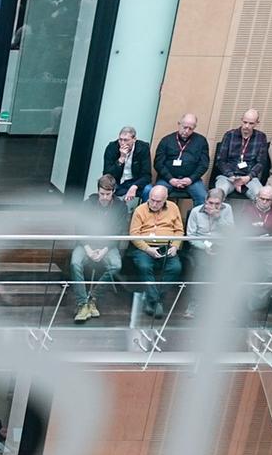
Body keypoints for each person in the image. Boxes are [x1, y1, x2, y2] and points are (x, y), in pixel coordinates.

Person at [68, 174, 126, 323]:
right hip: (86, 244)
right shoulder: (88, 204)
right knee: (75, 263)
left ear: (113, 192)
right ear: (98, 191)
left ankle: (92, 297)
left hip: (108, 246)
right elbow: (79, 228)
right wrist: (88, 249)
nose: (104, 197)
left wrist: (104, 250)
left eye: (108, 194)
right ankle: (82, 304)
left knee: (116, 265)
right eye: (102, 194)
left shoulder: (120, 207)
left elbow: (118, 232)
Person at [128, 183, 186, 316]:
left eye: (158, 201)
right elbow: (134, 235)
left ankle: (152, 299)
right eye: (152, 200)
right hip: (145, 248)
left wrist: (176, 246)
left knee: (176, 268)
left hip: (167, 246)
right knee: (144, 266)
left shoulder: (173, 208)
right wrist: (147, 249)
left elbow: (179, 231)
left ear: (165, 199)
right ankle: (156, 300)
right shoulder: (140, 210)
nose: (154, 204)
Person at [153, 113, 211, 210]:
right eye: (185, 127)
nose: (187, 131)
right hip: (167, 179)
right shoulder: (166, 140)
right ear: (179, 124)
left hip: (192, 180)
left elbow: (204, 164)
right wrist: (170, 179)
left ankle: (197, 223)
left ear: (194, 128)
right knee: (156, 195)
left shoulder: (201, 141)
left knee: (203, 198)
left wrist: (190, 179)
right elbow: (158, 163)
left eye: (190, 129)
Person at [214, 108, 270, 201]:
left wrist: (248, 177)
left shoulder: (261, 137)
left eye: (251, 123)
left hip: (249, 178)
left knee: (261, 198)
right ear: (241, 120)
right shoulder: (230, 135)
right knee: (218, 195)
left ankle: (250, 214)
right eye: (245, 122)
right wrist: (232, 177)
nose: (247, 126)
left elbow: (261, 163)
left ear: (256, 123)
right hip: (228, 177)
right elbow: (220, 160)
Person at [101, 125, 153, 206]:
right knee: (106, 189)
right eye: (120, 139)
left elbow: (147, 175)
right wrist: (121, 159)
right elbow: (107, 174)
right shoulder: (112, 148)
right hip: (117, 182)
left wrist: (135, 186)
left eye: (126, 140)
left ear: (134, 139)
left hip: (135, 181)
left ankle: (144, 214)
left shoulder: (143, 148)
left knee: (149, 190)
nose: (122, 143)